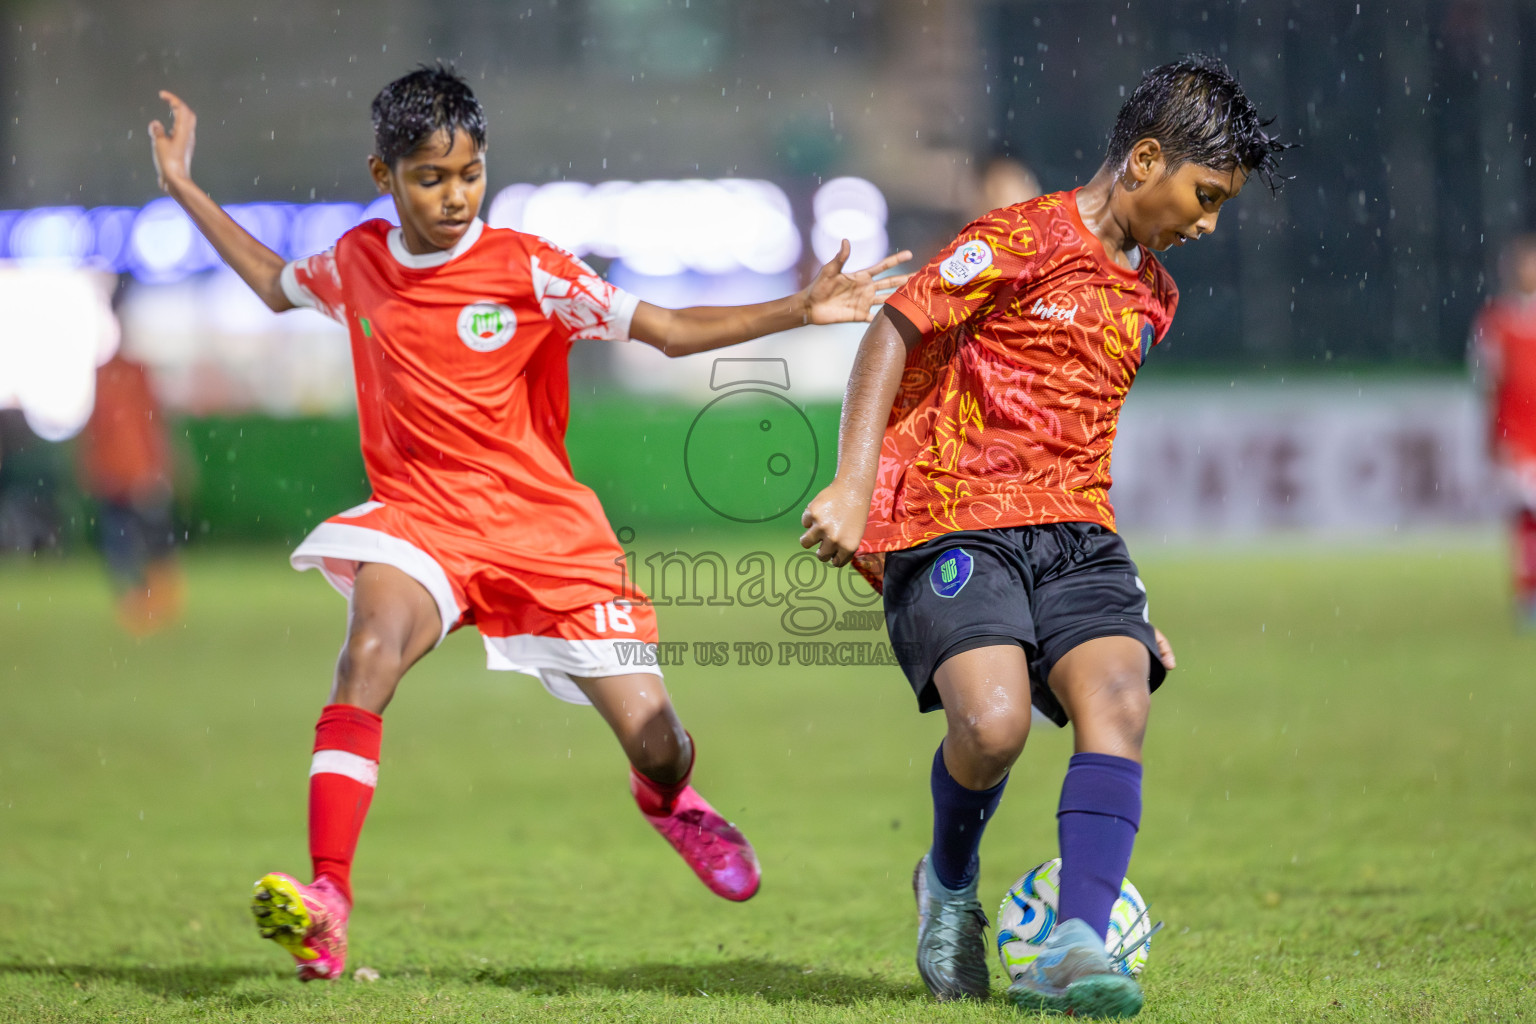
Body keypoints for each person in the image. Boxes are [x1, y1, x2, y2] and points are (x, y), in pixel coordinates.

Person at [147, 64, 910, 982]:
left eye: (469, 173)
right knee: (368, 653)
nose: (455, 195)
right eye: (430, 178)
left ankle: (666, 797)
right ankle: (328, 902)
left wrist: (801, 307)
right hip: (421, 521)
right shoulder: (357, 263)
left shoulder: (527, 268)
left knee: (659, 742)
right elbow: (274, 283)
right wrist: (186, 187)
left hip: (546, 533)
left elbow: (663, 328)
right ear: (382, 175)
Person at [799, 55, 1286, 1018]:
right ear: (1144, 159)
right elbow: (891, 332)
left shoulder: (1156, 299)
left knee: (1122, 699)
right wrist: (854, 487)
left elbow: (1082, 437)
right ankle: (947, 879)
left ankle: (1075, 942)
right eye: (1205, 194)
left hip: (1078, 533)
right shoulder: (1017, 237)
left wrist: (1129, 605)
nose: (1208, 223)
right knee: (992, 728)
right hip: (957, 521)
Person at [76, 346, 184, 635]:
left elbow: (150, 424)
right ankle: (140, 602)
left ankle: (153, 600)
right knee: (127, 540)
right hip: (122, 475)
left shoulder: (131, 375)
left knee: (143, 539)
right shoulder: (113, 376)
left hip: (137, 475)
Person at [1471, 233, 1536, 624]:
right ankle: (1528, 594)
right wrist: (1492, 433)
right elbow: (1487, 381)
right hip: (1517, 435)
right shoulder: (1496, 322)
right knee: (1525, 516)